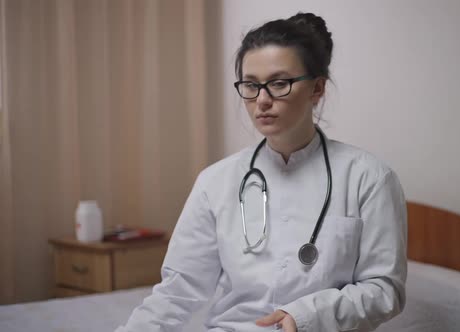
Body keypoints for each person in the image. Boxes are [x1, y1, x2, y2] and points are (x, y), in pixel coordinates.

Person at [116, 12, 407, 332]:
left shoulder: (369, 179)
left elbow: (384, 290)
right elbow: (177, 292)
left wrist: (309, 315)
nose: (262, 100)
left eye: (279, 83)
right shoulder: (215, 182)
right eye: (251, 86)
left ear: (317, 88)